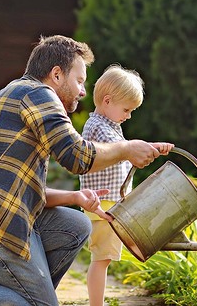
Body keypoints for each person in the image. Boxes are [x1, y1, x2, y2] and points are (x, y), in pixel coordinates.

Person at [0, 35, 172, 306]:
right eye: (80, 81)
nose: (83, 91)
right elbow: (77, 156)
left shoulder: (17, 96)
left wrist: (74, 198)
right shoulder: (39, 94)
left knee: (76, 224)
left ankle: (23, 295)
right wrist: (126, 149)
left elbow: (21, 190)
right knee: (41, 305)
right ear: (57, 74)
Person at [78, 65, 172, 306]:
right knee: (102, 258)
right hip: (104, 205)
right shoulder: (98, 127)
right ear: (107, 101)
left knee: (104, 257)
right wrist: (145, 148)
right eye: (127, 109)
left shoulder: (109, 127)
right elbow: (125, 151)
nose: (129, 116)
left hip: (110, 203)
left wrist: (152, 147)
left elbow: (128, 148)